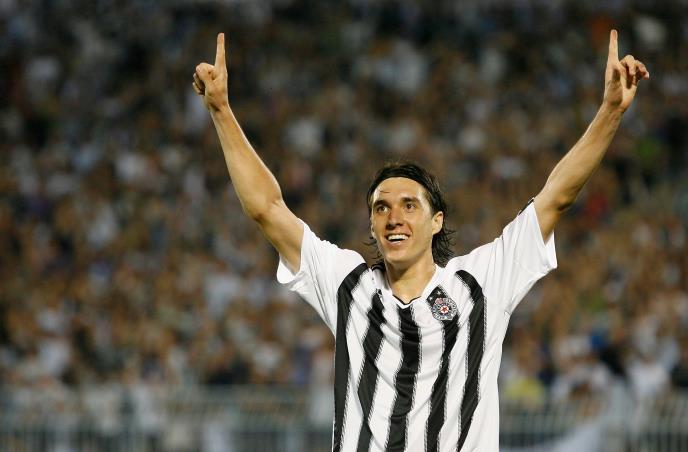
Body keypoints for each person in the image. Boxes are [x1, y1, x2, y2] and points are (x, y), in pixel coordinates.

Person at [192, 30, 648, 452]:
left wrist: (610, 112)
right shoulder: (348, 284)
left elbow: (556, 198)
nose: (394, 217)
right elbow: (267, 208)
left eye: (409, 205)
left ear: (436, 221)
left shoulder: (480, 283)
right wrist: (221, 111)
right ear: (371, 226)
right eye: (381, 208)